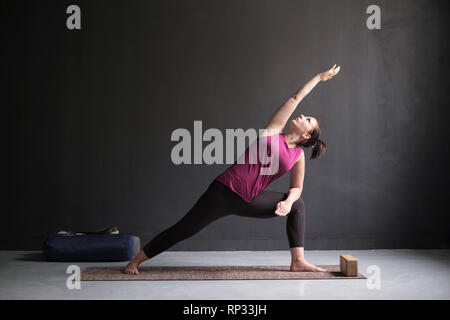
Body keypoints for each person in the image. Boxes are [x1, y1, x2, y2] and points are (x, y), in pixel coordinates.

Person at [124, 64, 341, 275]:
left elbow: (297, 187)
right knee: (185, 229)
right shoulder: (273, 131)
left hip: (249, 200)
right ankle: (136, 261)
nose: (303, 116)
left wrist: (288, 201)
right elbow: (295, 98)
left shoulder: (297, 156)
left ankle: (298, 261)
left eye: (308, 120)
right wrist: (318, 78)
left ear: (306, 135)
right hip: (223, 192)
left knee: (298, 205)